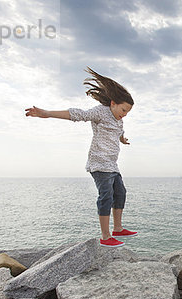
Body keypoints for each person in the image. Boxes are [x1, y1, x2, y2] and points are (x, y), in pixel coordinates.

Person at [25, 67, 137, 248]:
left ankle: (118, 228)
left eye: (127, 112)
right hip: (99, 164)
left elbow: (119, 129)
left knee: (120, 193)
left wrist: (122, 139)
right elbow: (78, 114)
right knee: (106, 196)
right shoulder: (100, 112)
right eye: (123, 109)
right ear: (113, 103)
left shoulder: (119, 119)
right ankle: (106, 236)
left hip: (112, 165)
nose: (124, 114)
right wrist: (47, 113)